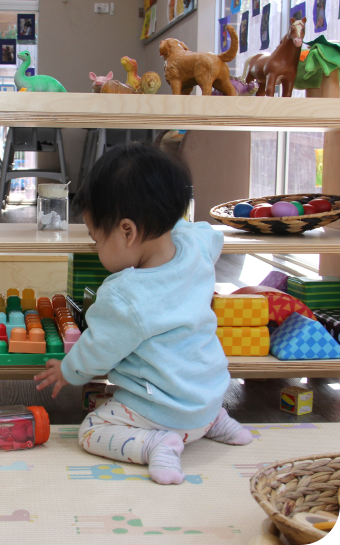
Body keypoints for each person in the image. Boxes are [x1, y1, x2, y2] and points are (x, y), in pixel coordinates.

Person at [35, 143, 252, 485]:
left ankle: (155, 444)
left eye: (96, 239)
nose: (94, 247)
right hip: (211, 394)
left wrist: (68, 371)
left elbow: (98, 349)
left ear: (128, 231)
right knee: (195, 386)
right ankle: (214, 421)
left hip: (166, 411)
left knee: (91, 430)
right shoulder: (196, 246)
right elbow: (209, 233)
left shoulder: (125, 296)